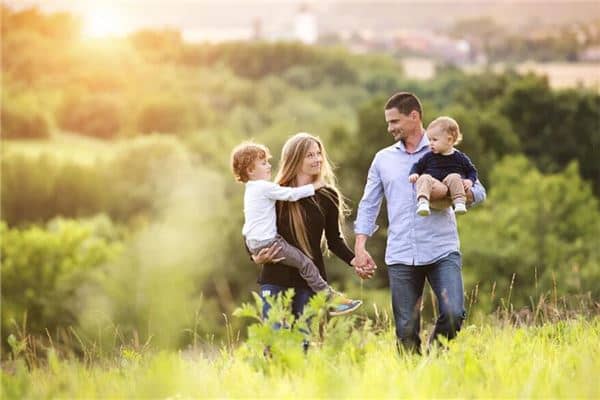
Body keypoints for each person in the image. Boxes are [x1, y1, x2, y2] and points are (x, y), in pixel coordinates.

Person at [353, 92, 486, 353]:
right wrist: (360, 246)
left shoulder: (448, 151)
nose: (389, 128)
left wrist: (461, 192)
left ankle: (434, 361)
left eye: (394, 121)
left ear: (414, 117)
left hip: (441, 249)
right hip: (401, 253)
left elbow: (480, 191)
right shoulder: (383, 159)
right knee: (405, 329)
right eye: (388, 123)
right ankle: (413, 382)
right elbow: (369, 203)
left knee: (453, 312)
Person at [243, 134, 363, 322]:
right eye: (310, 155)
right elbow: (253, 225)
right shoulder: (276, 193)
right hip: (276, 279)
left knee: (305, 344)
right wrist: (255, 256)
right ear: (295, 159)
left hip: (310, 283)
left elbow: (334, 240)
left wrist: (355, 261)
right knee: (275, 343)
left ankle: (331, 298)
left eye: (318, 154)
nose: (317, 159)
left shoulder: (327, 196)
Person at [408, 116, 478, 216]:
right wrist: (414, 173)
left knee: (454, 176)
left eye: (434, 140)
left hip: (450, 194)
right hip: (436, 189)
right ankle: (423, 202)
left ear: (449, 140)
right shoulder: (428, 156)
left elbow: (472, 171)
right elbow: (417, 166)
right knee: (424, 177)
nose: (430, 143)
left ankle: (459, 203)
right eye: (429, 140)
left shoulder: (460, 157)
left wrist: (470, 180)